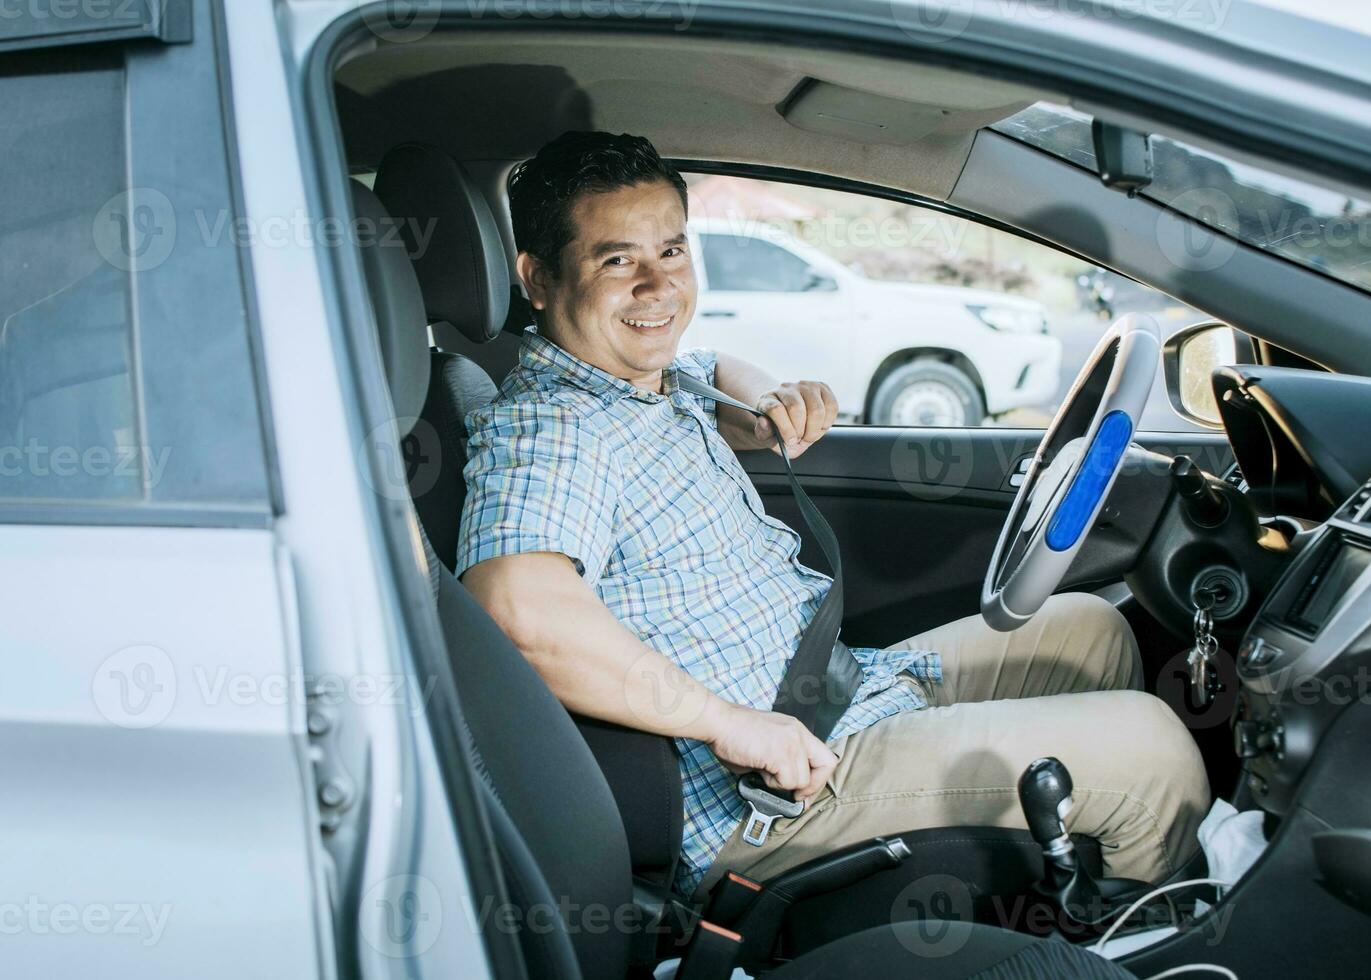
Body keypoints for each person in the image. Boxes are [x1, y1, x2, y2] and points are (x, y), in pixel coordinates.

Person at [457, 130, 1210, 898]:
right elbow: (517, 609)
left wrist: (765, 401)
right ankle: (1138, 931)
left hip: (834, 689)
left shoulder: (636, 381)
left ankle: (1073, 872)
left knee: (1091, 631)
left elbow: (706, 367)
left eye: (673, 252)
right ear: (538, 278)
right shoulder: (548, 427)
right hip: (769, 793)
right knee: (1156, 752)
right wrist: (728, 723)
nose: (658, 286)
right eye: (617, 260)